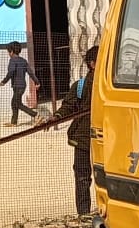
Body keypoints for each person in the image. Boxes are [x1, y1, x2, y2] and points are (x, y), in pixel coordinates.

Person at [36, 46, 98, 218]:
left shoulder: (80, 85)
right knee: (105, 177)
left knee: (82, 177)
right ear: (92, 64)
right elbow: (69, 107)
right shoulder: (91, 86)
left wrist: (55, 117)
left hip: (83, 139)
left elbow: (67, 107)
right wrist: (55, 116)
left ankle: (83, 214)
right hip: (103, 139)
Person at [0, 41, 39, 127]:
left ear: (11, 51)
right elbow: (30, 73)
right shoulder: (23, 61)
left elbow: (11, 72)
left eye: (8, 52)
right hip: (22, 86)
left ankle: (36, 115)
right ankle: (13, 122)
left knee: (17, 103)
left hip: (17, 86)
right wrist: (37, 82)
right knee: (14, 103)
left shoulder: (12, 60)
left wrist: (4, 81)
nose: (8, 54)